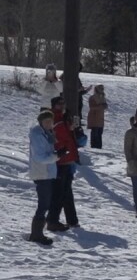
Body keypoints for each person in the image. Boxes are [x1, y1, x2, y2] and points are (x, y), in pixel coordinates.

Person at [46, 98, 80, 232]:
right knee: (59, 193)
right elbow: (60, 139)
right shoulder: (54, 119)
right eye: (59, 104)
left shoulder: (64, 119)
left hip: (67, 159)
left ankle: (72, 219)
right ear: (54, 105)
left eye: (63, 104)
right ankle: (52, 220)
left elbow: (69, 138)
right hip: (60, 160)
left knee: (66, 192)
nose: (62, 106)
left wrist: (71, 127)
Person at [27, 109, 58, 245]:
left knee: (46, 203)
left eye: (51, 122)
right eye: (46, 121)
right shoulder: (37, 135)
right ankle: (36, 234)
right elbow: (40, 157)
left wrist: (57, 152)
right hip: (41, 173)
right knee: (43, 204)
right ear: (41, 122)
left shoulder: (47, 134)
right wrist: (56, 156)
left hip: (47, 172)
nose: (49, 124)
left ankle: (38, 232)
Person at [86, 85, 108, 149]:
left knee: (99, 133)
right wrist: (101, 106)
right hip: (94, 117)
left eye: (102, 88)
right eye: (100, 88)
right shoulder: (92, 98)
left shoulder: (103, 97)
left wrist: (105, 106)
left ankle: (99, 146)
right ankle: (94, 146)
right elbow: (92, 107)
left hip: (100, 117)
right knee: (95, 132)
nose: (102, 89)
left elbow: (105, 105)